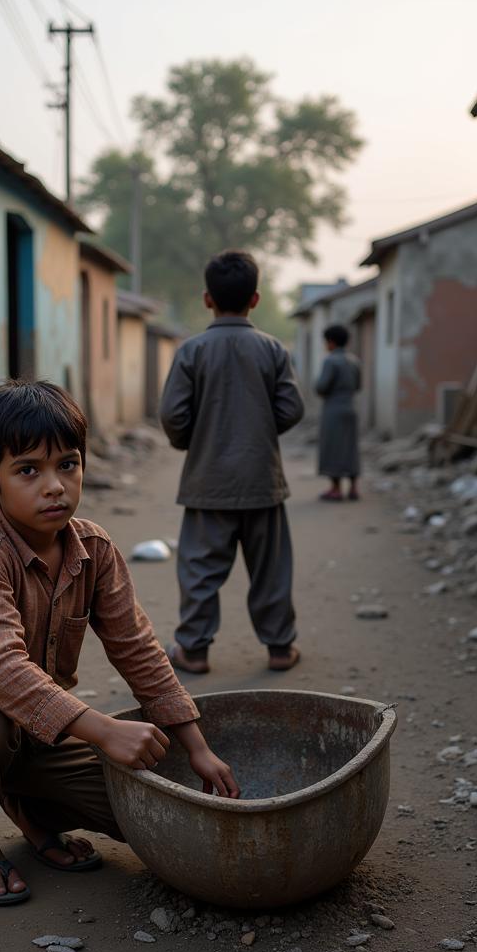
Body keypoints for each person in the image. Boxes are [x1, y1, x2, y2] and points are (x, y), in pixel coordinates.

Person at [0, 379, 239, 906]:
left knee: (147, 809)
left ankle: (29, 808)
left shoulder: (94, 549)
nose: (54, 486)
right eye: (28, 470)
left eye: (68, 464)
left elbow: (137, 648)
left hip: (40, 732)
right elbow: (0, 671)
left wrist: (196, 747)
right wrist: (103, 730)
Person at [159, 249, 305, 675]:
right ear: (255, 300)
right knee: (271, 570)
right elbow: (292, 407)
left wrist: (193, 440)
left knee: (200, 571)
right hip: (262, 480)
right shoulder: (272, 349)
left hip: (208, 482)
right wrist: (260, 429)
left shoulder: (191, 352)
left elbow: (172, 415)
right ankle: (280, 648)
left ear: (208, 299)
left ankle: (194, 651)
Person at [315, 324, 362, 502]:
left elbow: (321, 387)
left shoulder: (330, 361)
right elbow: (358, 386)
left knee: (333, 447)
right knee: (351, 448)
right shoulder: (355, 361)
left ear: (331, 342)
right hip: (351, 408)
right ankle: (354, 488)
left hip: (333, 409)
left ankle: (335, 489)